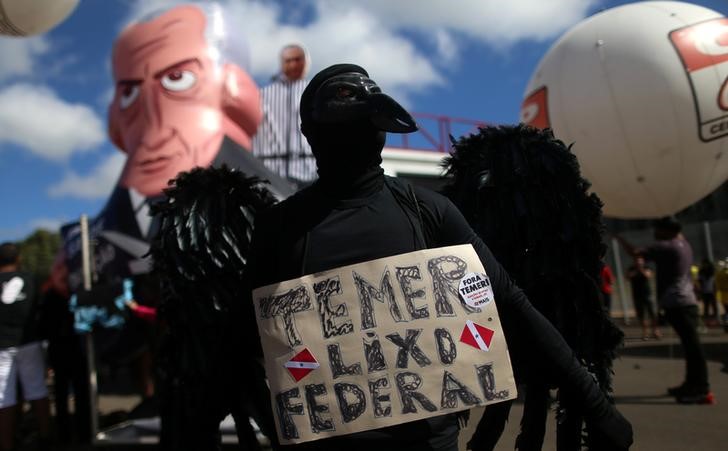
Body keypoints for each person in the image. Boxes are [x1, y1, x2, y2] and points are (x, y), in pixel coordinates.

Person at [246, 64, 633, 451]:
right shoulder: (278, 228)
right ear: (311, 134)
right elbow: (242, 339)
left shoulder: (428, 210)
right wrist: (278, 421)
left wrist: (595, 405)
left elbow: (510, 301)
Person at [615, 217, 713, 404]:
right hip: (686, 301)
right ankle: (691, 384)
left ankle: (701, 388)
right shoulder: (683, 244)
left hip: (678, 303)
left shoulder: (666, 247)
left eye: (658, 229)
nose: (655, 233)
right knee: (691, 346)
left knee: (693, 347)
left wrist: (619, 238)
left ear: (666, 231)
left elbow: (635, 252)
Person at [0, 242, 51, 451]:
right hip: (29, 342)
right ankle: (46, 437)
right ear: (18, 259)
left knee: (4, 397)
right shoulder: (31, 279)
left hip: (1, 345)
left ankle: (6, 443)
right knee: (37, 389)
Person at [252, 43, 317, 185]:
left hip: (312, 172)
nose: (293, 64)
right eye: (289, 61)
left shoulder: (316, 93)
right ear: (281, 64)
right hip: (272, 173)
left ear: (306, 62)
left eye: (298, 59)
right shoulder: (263, 95)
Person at [626, 255, 660, 340]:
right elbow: (628, 277)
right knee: (641, 315)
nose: (639, 263)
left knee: (652, 314)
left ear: (643, 262)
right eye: (637, 261)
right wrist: (636, 270)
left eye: (640, 261)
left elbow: (647, 275)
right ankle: (645, 333)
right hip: (637, 295)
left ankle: (656, 331)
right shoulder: (631, 269)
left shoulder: (647, 268)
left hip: (648, 294)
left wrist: (640, 269)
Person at [697, 258, 718, 325]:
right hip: (705, 291)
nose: (704, 265)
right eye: (703, 264)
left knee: (714, 305)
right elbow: (699, 281)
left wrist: (715, 290)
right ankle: (706, 319)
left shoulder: (712, 271)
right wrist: (700, 291)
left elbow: (714, 282)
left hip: (712, 291)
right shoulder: (701, 271)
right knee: (706, 305)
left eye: (705, 263)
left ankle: (716, 318)